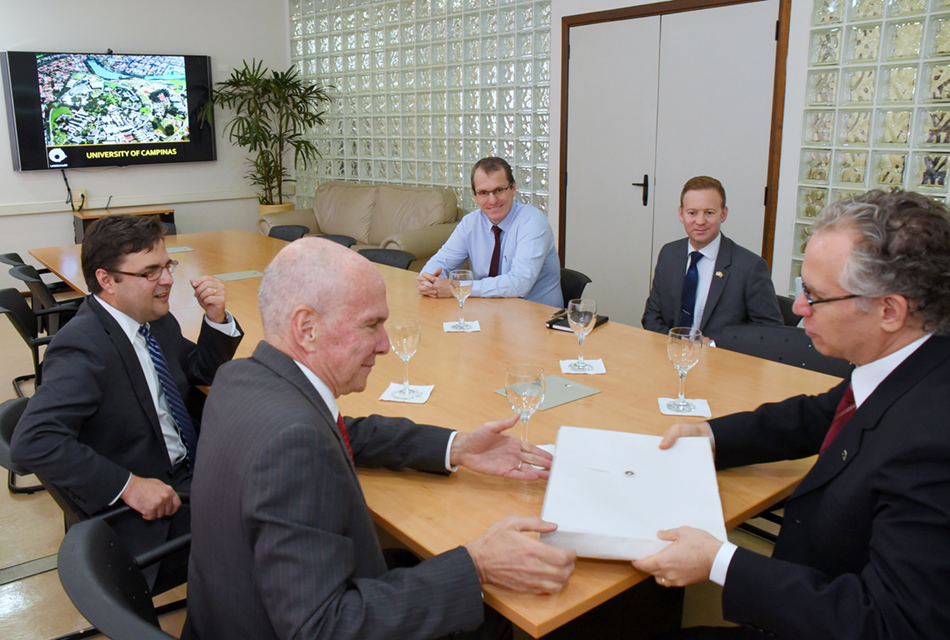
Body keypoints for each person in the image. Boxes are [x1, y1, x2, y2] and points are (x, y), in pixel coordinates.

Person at [184, 237, 575, 640]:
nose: (386, 345)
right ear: (307, 327)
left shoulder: (239, 379)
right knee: (491, 614)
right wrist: (477, 564)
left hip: (230, 615)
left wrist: (454, 447)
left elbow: (341, 430)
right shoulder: (295, 444)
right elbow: (322, 629)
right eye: (371, 324)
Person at [633, 190, 950, 639]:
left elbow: (887, 624)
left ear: (888, 310)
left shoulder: (933, 443)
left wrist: (720, 561)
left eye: (815, 297)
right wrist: (708, 434)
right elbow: (819, 415)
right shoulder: (909, 362)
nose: (798, 310)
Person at [11, 214, 243, 591]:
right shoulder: (82, 346)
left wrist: (216, 320)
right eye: (150, 272)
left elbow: (197, 372)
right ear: (107, 280)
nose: (167, 280)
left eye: (166, 266)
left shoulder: (152, 318)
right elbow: (33, 442)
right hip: (155, 508)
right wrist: (130, 486)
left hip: (189, 464)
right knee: (278, 514)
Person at [641, 176, 782, 342]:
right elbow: (651, 316)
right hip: (670, 354)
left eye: (709, 213)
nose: (700, 221)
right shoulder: (669, 254)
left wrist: (714, 344)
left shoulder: (750, 267)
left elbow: (770, 332)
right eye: (692, 213)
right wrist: (676, 344)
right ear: (681, 214)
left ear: (723, 214)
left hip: (720, 361)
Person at [417, 157, 562, 307]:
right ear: (475, 196)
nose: (492, 200)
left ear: (513, 188)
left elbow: (519, 284)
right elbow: (440, 262)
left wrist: (458, 287)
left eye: (499, 190)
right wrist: (429, 281)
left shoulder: (533, 222)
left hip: (537, 319)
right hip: (489, 312)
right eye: (484, 193)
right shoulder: (470, 223)